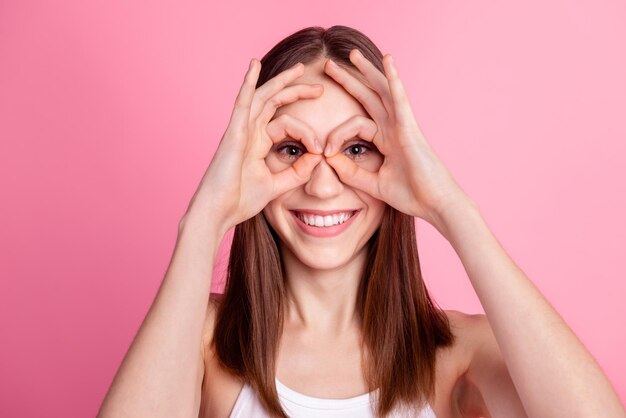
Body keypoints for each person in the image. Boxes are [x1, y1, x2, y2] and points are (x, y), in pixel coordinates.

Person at [98, 25, 625, 418]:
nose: (323, 185)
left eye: (356, 147)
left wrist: (449, 207)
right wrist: (204, 221)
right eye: (289, 148)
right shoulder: (204, 341)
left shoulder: (459, 355)